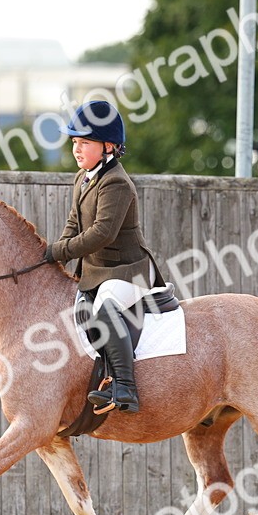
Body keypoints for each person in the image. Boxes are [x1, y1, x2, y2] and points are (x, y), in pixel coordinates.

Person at [44, 101, 162, 415]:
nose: (77, 150)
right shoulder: (83, 179)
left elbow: (101, 233)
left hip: (129, 271)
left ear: (108, 146)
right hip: (98, 272)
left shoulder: (117, 183)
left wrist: (59, 251)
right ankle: (106, 376)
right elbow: (74, 222)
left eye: (84, 143)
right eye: (74, 143)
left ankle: (126, 387)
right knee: (82, 312)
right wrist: (57, 253)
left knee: (106, 309)